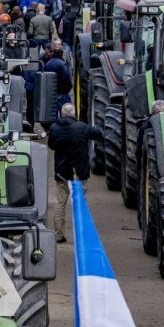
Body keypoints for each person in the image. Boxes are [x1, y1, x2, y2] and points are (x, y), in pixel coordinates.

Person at [47, 103, 102, 242]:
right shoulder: (82, 127)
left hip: (61, 171)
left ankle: (59, 235)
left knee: (60, 203)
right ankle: (82, 235)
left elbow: (51, 145)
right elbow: (98, 134)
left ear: (61, 113)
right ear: (74, 113)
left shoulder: (54, 128)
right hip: (79, 172)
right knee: (80, 204)